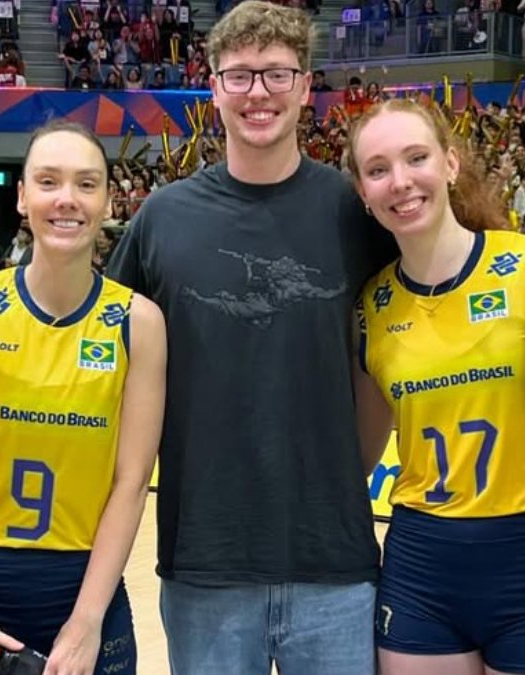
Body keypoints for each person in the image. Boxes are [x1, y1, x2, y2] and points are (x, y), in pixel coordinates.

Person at [106, 1, 394, 672]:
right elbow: (103, 360)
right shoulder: (161, 218)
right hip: (204, 561)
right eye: (239, 75)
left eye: (275, 74)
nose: (257, 93)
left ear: (303, 86)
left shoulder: (357, 212)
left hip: (336, 564)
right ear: (213, 88)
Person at [348, 98, 525, 675]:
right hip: (422, 564)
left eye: (417, 158)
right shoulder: (370, 308)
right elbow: (359, 455)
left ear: (452, 164)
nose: (401, 182)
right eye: (378, 169)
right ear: (362, 191)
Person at [0, 120, 166, 675]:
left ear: (109, 199)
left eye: (86, 184)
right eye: (49, 181)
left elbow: (132, 483)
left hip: (82, 591)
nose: (67, 200)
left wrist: (86, 622)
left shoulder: (139, 323)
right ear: (22, 196)